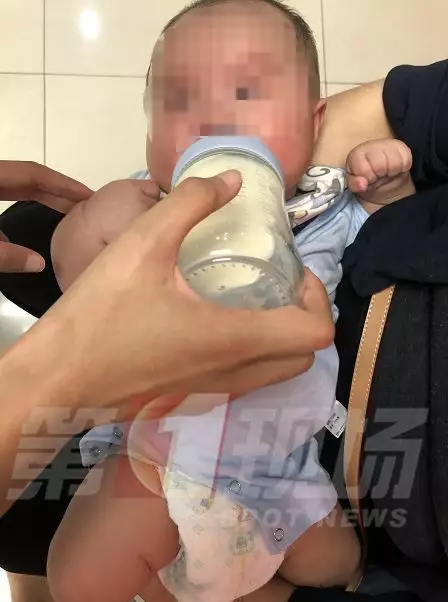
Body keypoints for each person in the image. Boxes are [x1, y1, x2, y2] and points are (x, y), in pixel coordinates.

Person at [1, 43, 448, 602]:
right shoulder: (153, 206)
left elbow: (382, 226)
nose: (216, 121)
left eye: (250, 97)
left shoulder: (330, 198)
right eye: (178, 102)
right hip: (157, 452)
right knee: (79, 576)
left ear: (314, 124)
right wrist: (91, 227)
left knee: (336, 562)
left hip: (282, 463)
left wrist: (384, 187)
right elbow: (82, 288)